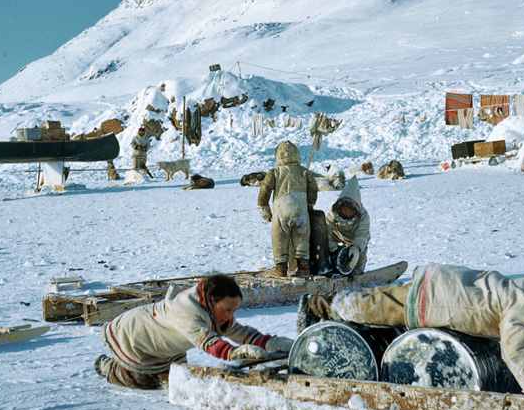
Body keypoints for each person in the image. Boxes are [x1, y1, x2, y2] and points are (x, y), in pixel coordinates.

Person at [296, 238, 524, 410]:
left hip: (445, 288)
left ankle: (329, 307)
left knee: (378, 306)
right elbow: (518, 346)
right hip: (432, 300)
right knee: (373, 307)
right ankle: (318, 306)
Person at [95, 274, 294, 389]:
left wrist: (273, 343)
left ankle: (156, 370)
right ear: (213, 300)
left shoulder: (216, 312)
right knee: (143, 381)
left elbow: (239, 332)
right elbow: (207, 341)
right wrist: (233, 352)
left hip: (167, 347)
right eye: (228, 309)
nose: (231, 315)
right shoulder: (186, 310)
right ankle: (108, 366)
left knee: (173, 380)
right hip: (135, 336)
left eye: (234, 310)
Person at [258, 141, 318, 277]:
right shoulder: (305, 172)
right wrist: (310, 203)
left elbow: (265, 189)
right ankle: (303, 268)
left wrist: (264, 205)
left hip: (281, 210)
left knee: (279, 238)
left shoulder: (275, 172)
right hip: (300, 210)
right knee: (302, 239)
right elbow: (313, 189)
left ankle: (281, 269)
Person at [325, 175, 370, 274]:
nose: (347, 212)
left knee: (357, 259)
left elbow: (362, 234)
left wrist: (356, 248)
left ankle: (357, 273)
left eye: (350, 210)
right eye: (344, 209)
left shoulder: (363, 216)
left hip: (353, 238)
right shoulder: (334, 212)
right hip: (337, 235)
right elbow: (326, 229)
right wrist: (330, 244)